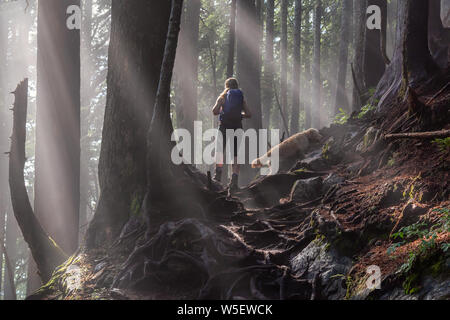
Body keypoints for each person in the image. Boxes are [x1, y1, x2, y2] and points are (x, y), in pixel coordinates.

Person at [212, 78, 251, 192]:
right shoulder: (241, 99)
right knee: (235, 155)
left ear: (226, 86)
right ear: (237, 86)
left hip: (223, 126)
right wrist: (240, 115)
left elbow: (214, 111)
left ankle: (217, 177)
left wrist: (223, 112)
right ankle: (234, 181)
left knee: (219, 151)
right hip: (237, 127)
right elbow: (249, 114)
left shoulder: (223, 97)